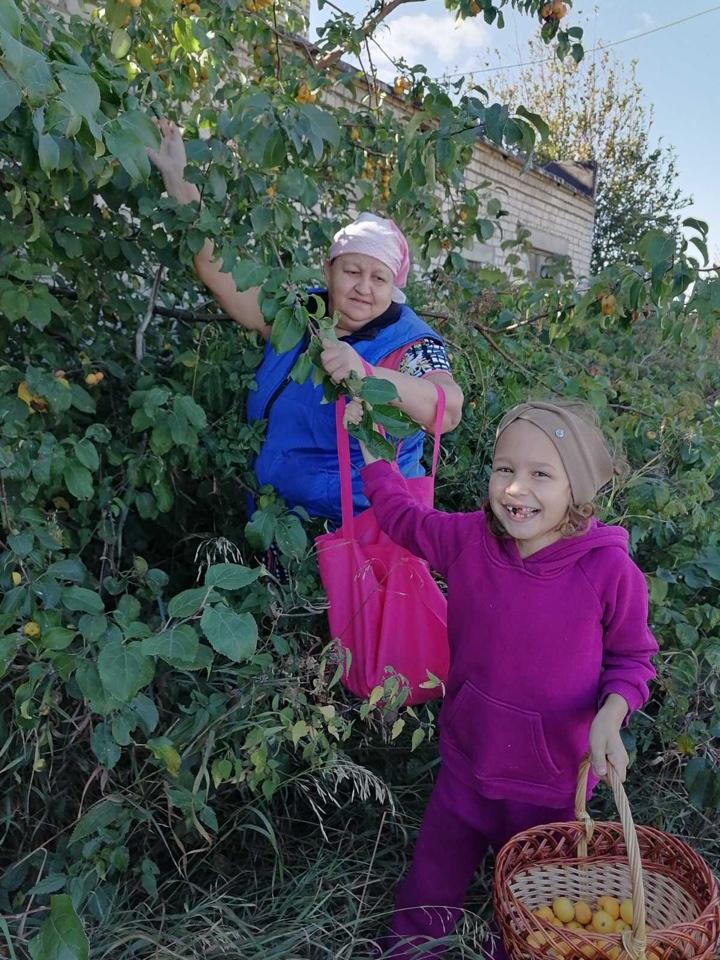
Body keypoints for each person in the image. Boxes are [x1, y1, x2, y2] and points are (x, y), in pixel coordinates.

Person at [348, 398, 657, 959]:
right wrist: (371, 448)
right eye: (505, 469)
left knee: (531, 917)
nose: (516, 489)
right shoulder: (470, 540)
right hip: (468, 764)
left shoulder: (609, 571)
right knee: (427, 891)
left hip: (555, 787)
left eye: (541, 475)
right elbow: (403, 518)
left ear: (577, 491)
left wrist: (611, 718)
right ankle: (413, 949)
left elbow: (632, 660)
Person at [147, 119, 463, 524]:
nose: (364, 287)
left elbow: (447, 410)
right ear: (328, 270)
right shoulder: (298, 314)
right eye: (352, 271)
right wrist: (177, 177)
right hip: (274, 519)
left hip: (358, 537)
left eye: (379, 277)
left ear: (394, 286)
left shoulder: (409, 342)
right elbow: (215, 269)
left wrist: (366, 374)